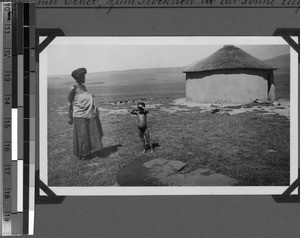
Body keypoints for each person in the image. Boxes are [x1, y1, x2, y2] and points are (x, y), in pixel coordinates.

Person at [67, 67, 104, 160]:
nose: (85, 78)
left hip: (88, 113)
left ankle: (87, 152)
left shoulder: (83, 87)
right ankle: (81, 154)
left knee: (88, 133)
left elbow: (84, 96)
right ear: (78, 77)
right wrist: (69, 117)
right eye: (83, 76)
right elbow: (69, 102)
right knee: (81, 135)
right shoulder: (73, 88)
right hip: (79, 115)